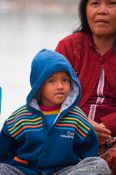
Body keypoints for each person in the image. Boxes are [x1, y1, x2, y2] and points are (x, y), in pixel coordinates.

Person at [0, 49, 111, 175]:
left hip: (63, 171)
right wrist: (12, 161)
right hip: (25, 171)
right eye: (52, 81)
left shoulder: (76, 117)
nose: (60, 86)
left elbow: (88, 149)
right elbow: (4, 149)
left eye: (65, 80)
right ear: (39, 86)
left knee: (99, 166)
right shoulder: (20, 117)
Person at [55, 0, 116, 173]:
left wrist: (106, 126)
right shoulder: (68, 46)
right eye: (95, 3)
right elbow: (46, 96)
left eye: (111, 4)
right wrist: (81, 124)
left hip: (111, 139)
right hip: (68, 134)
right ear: (85, 9)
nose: (102, 11)